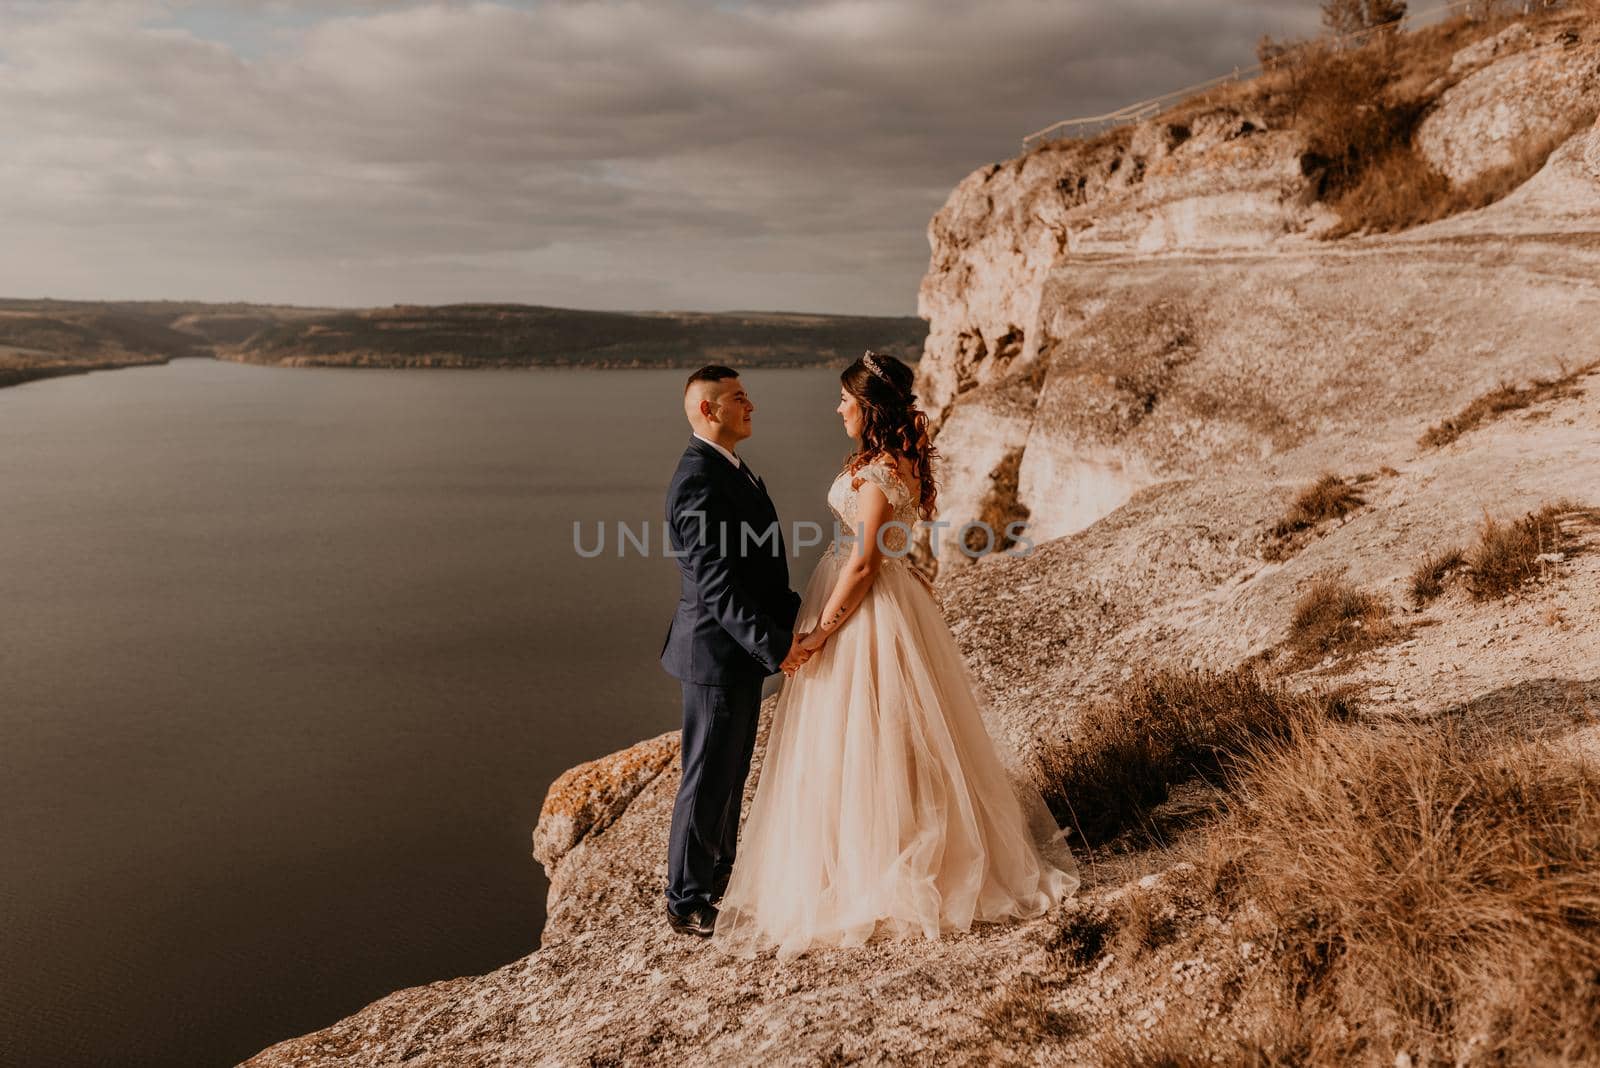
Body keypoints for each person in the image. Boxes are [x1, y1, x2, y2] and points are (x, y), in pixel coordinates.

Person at [711, 350, 1079, 959]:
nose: (837, 410)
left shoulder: (882, 470)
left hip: (868, 608)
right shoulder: (893, 461)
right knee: (887, 733)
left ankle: (877, 866)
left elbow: (863, 562)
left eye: (846, 402)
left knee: (866, 733)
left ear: (869, 409)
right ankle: (868, 852)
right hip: (889, 597)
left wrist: (822, 633)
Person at [659, 365, 807, 938]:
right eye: (739, 398)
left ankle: (720, 873)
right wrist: (778, 647)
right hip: (715, 655)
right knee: (706, 774)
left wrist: (796, 619)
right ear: (707, 410)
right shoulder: (697, 479)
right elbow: (716, 584)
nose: (752, 405)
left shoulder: (731, 470)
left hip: (736, 652)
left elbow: (757, 572)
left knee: (731, 768)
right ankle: (686, 899)